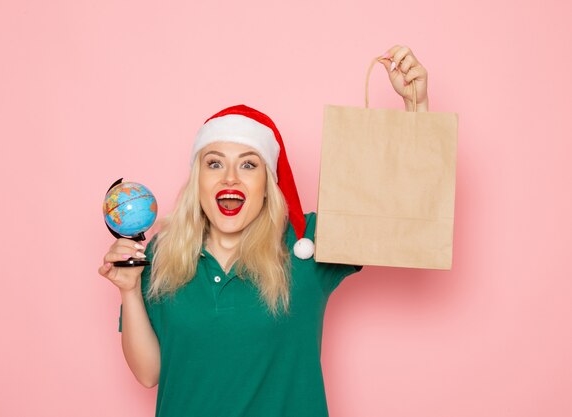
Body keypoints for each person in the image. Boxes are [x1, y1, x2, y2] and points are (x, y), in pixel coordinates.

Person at [98, 45, 429, 417]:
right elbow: (148, 373)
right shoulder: (162, 252)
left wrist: (417, 109)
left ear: (268, 182)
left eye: (248, 165)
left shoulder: (308, 244)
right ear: (198, 179)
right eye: (214, 163)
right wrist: (128, 290)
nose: (230, 178)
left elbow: (406, 218)